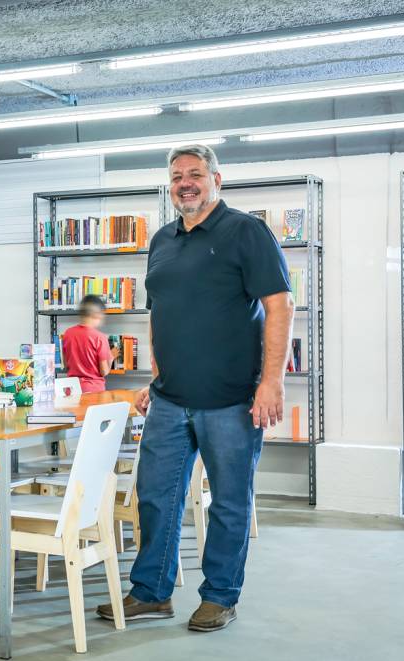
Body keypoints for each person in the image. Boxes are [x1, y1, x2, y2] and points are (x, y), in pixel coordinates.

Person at [97, 144, 294, 631]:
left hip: (232, 400)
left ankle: (220, 596)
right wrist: (155, 376)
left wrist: (272, 382)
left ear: (216, 179)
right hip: (169, 400)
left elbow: (280, 306)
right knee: (155, 497)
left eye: (195, 174)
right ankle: (151, 592)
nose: (186, 182)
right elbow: (159, 315)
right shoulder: (162, 240)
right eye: (177, 175)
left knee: (228, 501)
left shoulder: (246, 231)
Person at [62, 294, 117, 393]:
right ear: (97, 314)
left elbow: (66, 365)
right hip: (93, 391)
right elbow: (104, 371)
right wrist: (111, 357)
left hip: (71, 390)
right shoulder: (100, 337)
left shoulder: (67, 333)